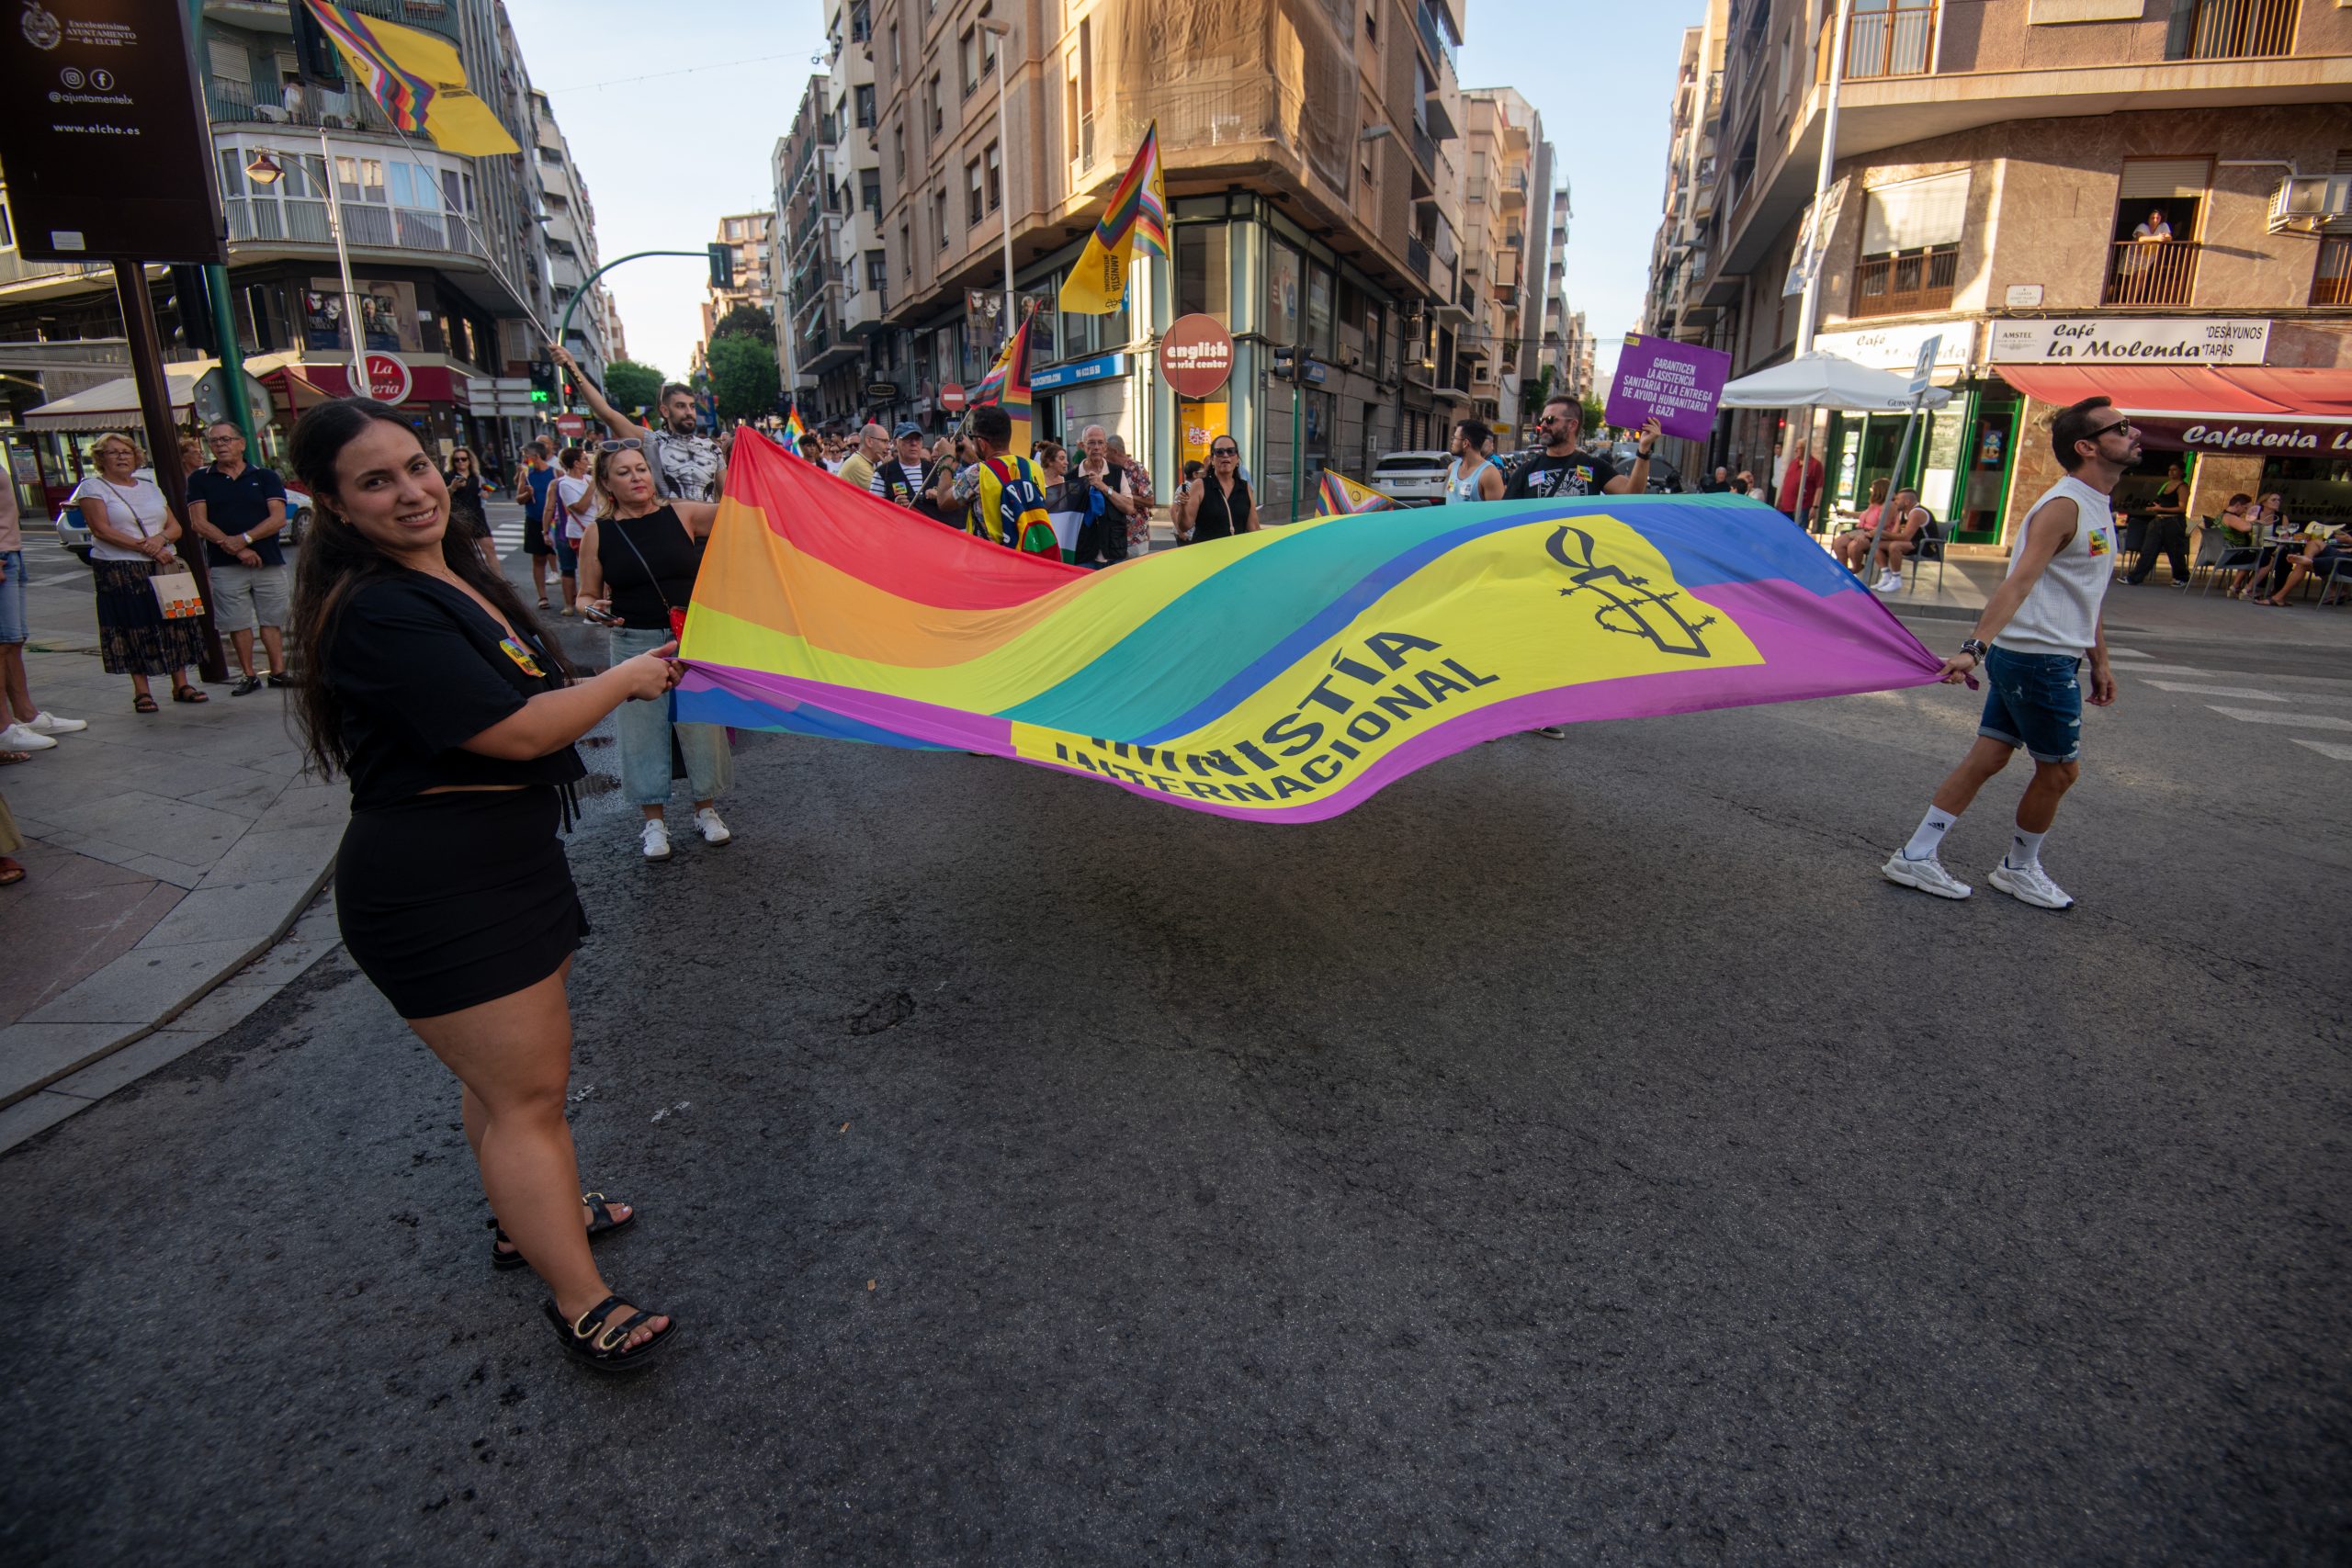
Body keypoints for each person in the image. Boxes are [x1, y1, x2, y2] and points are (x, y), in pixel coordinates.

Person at [290, 397, 681, 1371]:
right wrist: (628, 680)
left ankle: (530, 1215)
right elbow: (510, 731)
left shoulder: (448, 576)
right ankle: (579, 1299)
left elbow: (526, 700)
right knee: (526, 1099)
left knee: (508, 1085)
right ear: (334, 507)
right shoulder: (379, 608)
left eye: (416, 467)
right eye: (375, 482)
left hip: (499, 865)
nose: (412, 491)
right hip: (440, 886)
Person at [1880, 396, 2132, 911]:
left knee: (1989, 756)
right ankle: (2018, 869)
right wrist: (1975, 648)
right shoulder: (2064, 507)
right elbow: (2017, 584)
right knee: (2060, 771)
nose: (2134, 432)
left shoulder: (2095, 502)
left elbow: (2087, 592)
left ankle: (1917, 853)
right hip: (2037, 658)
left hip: (2048, 654)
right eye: (2120, 428)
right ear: (2087, 447)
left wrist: (2100, 659)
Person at [573, 446, 735, 860]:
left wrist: (746, 463)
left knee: (702, 725)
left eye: (641, 468)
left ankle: (707, 811)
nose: (636, 477)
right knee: (641, 732)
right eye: (623, 473)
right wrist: (592, 609)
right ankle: (654, 823)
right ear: (607, 483)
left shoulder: (682, 514)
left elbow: (739, 510)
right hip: (633, 644)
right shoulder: (600, 532)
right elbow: (585, 595)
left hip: (690, 639)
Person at [69, 434, 208, 713]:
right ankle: (142, 691)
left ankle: (181, 683)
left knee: (174, 620)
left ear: (136, 457)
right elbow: (102, 530)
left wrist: (158, 542)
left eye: (126, 452)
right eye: (112, 452)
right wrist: (151, 547)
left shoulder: (150, 487)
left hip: (161, 563)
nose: (121, 457)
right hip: (120, 567)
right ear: (100, 459)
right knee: (132, 625)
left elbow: (175, 527)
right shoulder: (93, 487)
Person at [185, 420, 294, 695]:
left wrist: (246, 539)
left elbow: (278, 517)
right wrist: (236, 548)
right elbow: (199, 522)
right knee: (237, 621)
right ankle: (248, 674)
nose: (220, 445)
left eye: (226, 439)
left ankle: (278, 671)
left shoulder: (265, 476)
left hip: (268, 558)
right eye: (214, 441)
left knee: (272, 618)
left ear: (241, 443)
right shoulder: (200, 479)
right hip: (225, 563)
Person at [551, 344, 721, 503]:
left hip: (709, 532)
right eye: (680, 406)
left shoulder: (712, 449)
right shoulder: (653, 442)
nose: (689, 412)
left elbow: (729, 498)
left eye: (692, 406)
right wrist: (572, 367)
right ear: (665, 411)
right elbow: (607, 413)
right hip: (668, 530)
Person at [0, 471, 85, 754]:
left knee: (14, 639)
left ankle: (27, 715)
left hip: (11, 552)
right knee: (3, 642)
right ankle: (3, 728)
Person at [952, 406, 1057, 555]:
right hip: (1027, 556)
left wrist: (946, 459)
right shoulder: (1034, 467)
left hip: (989, 561)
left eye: (973, 437)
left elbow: (944, 501)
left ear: (982, 443)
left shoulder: (976, 473)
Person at [1502, 398, 1657, 499]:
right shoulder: (1526, 471)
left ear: (1572, 425)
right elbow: (1505, 517)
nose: (1542, 425)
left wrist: (1643, 449)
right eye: (1541, 420)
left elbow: (1632, 494)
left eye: (1550, 420)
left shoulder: (1595, 467)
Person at [1073, 426, 1140, 564]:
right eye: (1091, 443)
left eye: (1100, 443)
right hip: (1084, 553)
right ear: (1083, 446)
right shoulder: (1071, 478)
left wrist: (1104, 487)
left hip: (1114, 550)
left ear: (1106, 446)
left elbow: (1129, 507)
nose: (1096, 447)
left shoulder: (1117, 472)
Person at [1173, 436, 1254, 544]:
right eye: (1219, 452)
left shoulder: (1245, 487)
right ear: (1212, 459)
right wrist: (1183, 506)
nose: (1225, 455)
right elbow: (1185, 526)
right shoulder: (1200, 485)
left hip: (1236, 555)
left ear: (1237, 458)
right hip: (1206, 556)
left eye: (1231, 451)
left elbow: (1254, 528)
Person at [2257, 521, 2351, 607]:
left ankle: (2278, 598)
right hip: (2345, 555)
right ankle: (2307, 558)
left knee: (2303, 564)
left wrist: (2350, 540)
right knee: (2315, 543)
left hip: (2348, 562)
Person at [2126, 461, 2189, 586]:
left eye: (2175, 470)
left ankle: (2181, 577)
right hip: (2158, 521)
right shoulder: (2166, 485)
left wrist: (2161, 509)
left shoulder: (2182, 487)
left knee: (2175, 550)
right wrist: (2154, 508)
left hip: (2173, 521)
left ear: (2181, 471)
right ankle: (2135, 577)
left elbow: (2182, 508)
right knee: (2148, 549)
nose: (2171, 473)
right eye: (2170, 470)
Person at [548, 448, 594, 617]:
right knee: (574, 570)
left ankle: (593, 605)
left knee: (594, 571)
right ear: (576, 463)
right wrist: (594, 485)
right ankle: (571, 604)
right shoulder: (565, 483)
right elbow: (580, 508)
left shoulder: (588, 479)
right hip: (577, 532)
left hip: (594, 530)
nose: (587, 461)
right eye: (584, 458)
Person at [514, 441, 558, 609]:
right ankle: (542, 596)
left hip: (554, 522)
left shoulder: (556, 473)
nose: (524, 460)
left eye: (527, 456)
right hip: (534, 521)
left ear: (536, 457)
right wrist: (526, 493)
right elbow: (519, 499)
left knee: (565, 558)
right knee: (538, 559)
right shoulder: (526, 474)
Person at [444, 446, 499, 574]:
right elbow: (442, 495)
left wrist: (486, 493)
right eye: (457, 460)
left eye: (463, 459)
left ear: (469, 460)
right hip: (459, 518)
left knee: (490, 549)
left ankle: (500, 580)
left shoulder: (476, 476)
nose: (460, 462)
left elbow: (490, 487)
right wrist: (452, 487)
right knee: (466, 554)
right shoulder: (449, 476)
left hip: (478, 517)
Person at [1869, 487, 1931, 592]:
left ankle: (1896, 579)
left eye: (1897, 499)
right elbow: (1894, 534)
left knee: (1895, 546)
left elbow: (1906, 537)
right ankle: (1886, 575)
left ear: (1907, 501)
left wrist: (1881, 532)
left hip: (1926, 545)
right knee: (1876, 544)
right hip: (1910, 543)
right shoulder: (1902, 512)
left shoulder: (1917, 513)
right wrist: (1875, 535)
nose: (1895, 501)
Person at [1106, 434, 1154, 555]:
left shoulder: (1137, 468)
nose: (1104, 457)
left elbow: (1149, 501)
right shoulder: (1108, 470)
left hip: (1135, 537)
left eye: (1106, 453)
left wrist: (1122, 497)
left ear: (1115, 451)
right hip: (1114, 536)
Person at [1830, 479, 1889, 573]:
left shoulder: (1886, 507)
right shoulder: (1873, 505)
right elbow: (1863, 515)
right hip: (1862, 530)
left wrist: (1866, 535)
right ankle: (1843, 569)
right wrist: (1846, 513)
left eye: (1872, 489)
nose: (1871, 491)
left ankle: (1856, 567)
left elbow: (1883, 525)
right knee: (1838, 543)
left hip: (1873, 533)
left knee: (1853, 546)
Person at [869, 423, 934, 509]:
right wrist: (894, 507)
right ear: (895, 443)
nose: (914, 443)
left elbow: (949, 503)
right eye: (907, 439)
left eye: (917, 439)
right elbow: (874, 510)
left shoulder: (934, 469)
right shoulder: (882, 473)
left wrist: (940, 496)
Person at [1445, 419, 1506, 504]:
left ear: (1465, 443)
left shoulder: (1489, 474)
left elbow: (1497, 513)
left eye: (1454, 438)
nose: (1452, 442)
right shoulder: (1452, 468)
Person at [1775, 440, 1824, 528]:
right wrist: (1779, 501)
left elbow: (1819, 487)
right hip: (1786, 506)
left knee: (1798, 532)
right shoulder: (1793, 463)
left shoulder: (1815, 465)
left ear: (1806, 449)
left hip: (1802, 506)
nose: (1795, 450)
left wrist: (1815, 506)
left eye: (1798, 448)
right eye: (1795, 448)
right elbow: (1786, 483)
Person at [839, 423, 888, 493]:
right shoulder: (857, 464)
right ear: (869, 441)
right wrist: (890, 467)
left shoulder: (862, 461)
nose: (888, 447)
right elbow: (886, 494)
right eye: (884, 441)